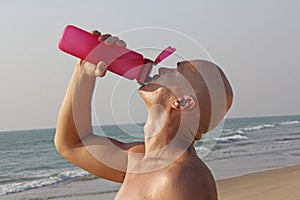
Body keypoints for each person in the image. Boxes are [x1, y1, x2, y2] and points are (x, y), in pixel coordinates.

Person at [54, 30, 233, 200]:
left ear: (183, 102)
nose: (163, 70)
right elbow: (71, 143)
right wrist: (84, 70)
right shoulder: (139, 159)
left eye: (177, 71)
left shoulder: (184, 177)